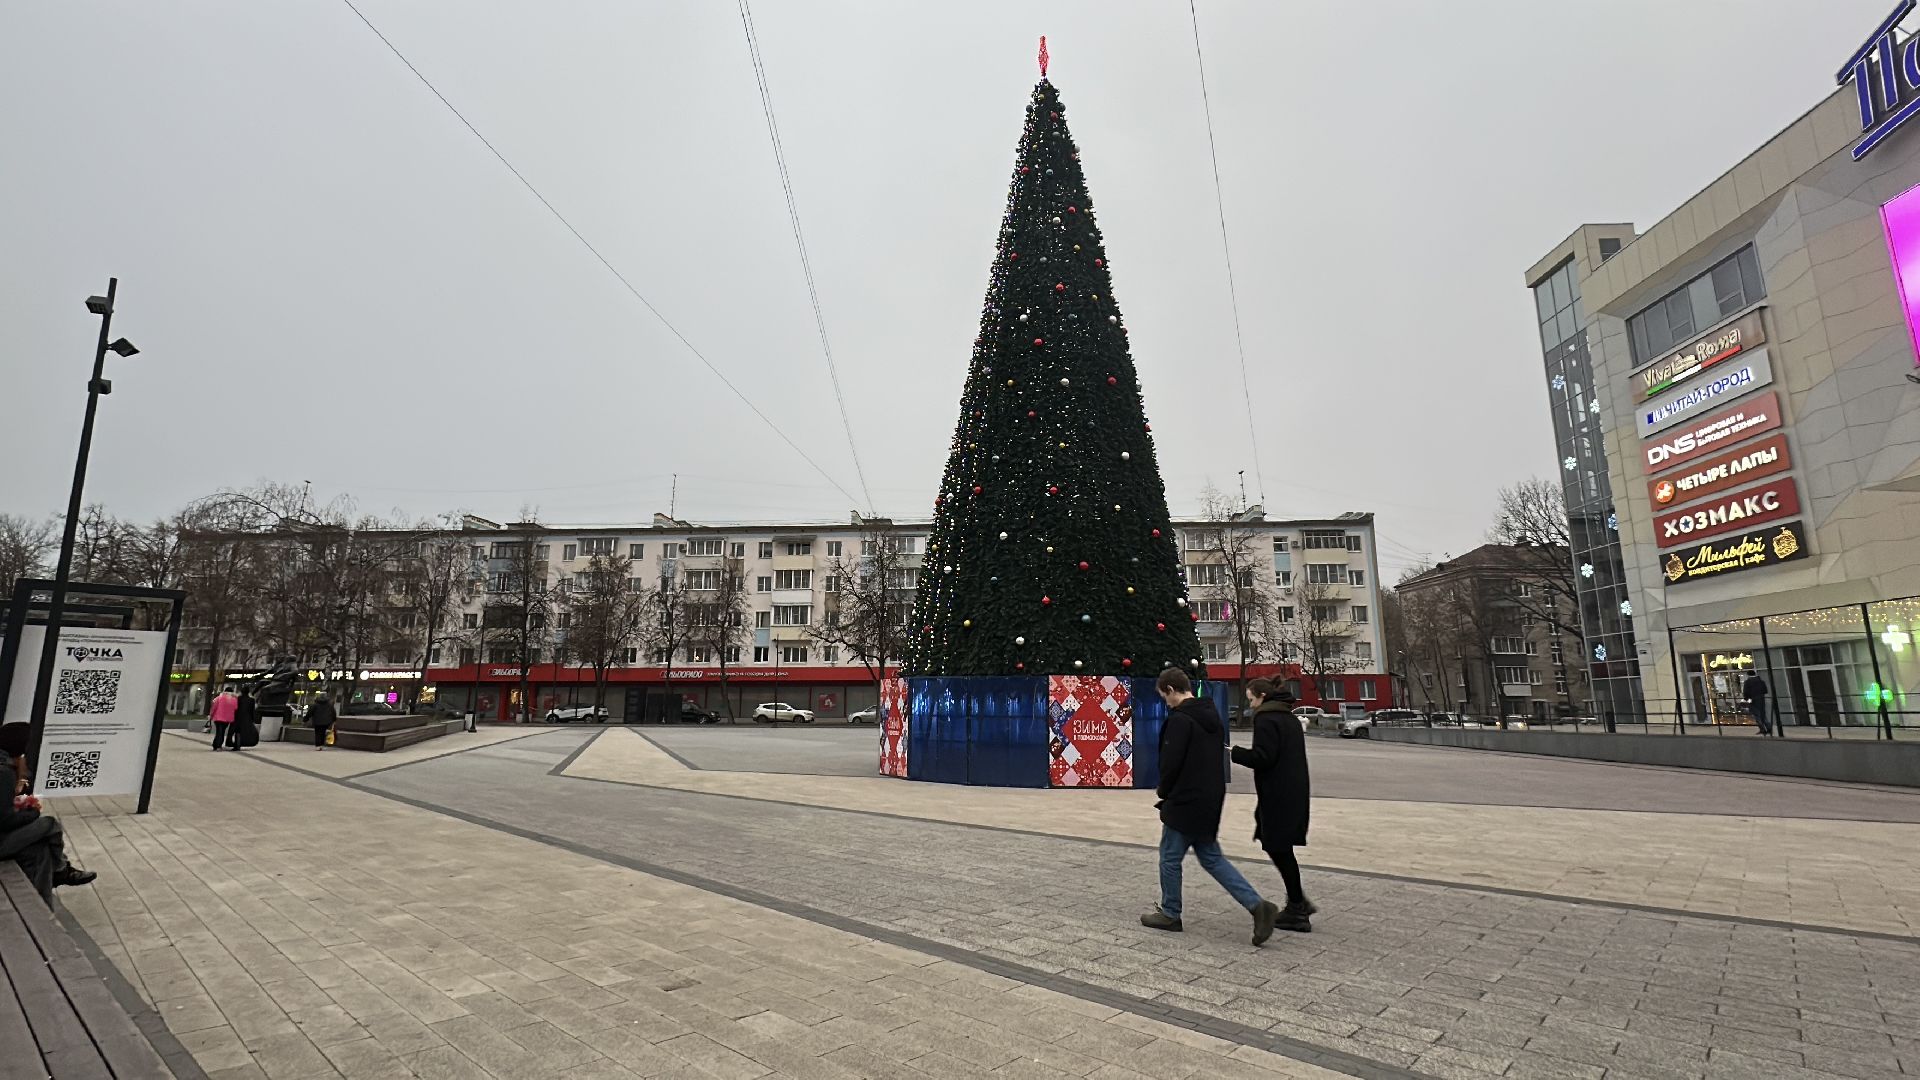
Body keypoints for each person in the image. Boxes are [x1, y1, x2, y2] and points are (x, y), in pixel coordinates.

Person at [1140, 667, 1281, 946]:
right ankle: (1258, 906)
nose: (1165, 702)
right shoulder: (1212, 717)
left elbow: (1170, 763)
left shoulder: (1180, 720)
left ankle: (1170, 913)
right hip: (1210, 798)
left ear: (1171, 690)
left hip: (1184, 800)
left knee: (1169, 857)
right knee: (1212, 857)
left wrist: (1164, 792)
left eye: (1164, 696)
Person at [1230, 679, 1317, 933]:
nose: (1250, 704)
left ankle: (1297, 909)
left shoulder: (1266, 718)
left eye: (1251, 699)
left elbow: (1264, 757)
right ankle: (1298, 900)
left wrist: (1235, 753)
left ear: (1262, 696)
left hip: (1278, 793)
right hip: (1291, 791)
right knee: (1276, 844)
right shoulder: (1288, 717)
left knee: (1278, 846)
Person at [0, 724, 97, 903]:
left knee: (40, 850)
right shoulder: (4, 772)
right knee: (49, 824)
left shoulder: (6, 768)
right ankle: (61, 870)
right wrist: (32, 813)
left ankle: (45, 902)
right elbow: (5, 820)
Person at [210, 684, 240, 750]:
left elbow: (214, 707)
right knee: (222, 731)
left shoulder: (219, 698)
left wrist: (211, 715)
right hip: (227, 719)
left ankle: (217, 745)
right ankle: (217, 745)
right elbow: (235, 708)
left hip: (218, 718)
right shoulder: (234, 699)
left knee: (219, 731)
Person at [232, 685, 259, 750]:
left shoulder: (238, 699)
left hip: (238, 717)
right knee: (245, 731)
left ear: (241, 692)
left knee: (237, 731)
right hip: (248, 717)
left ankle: (237, 745)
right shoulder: (252, 700)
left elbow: (235, 708)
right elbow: (252, 710)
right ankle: (243, 742)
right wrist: (252, 719)